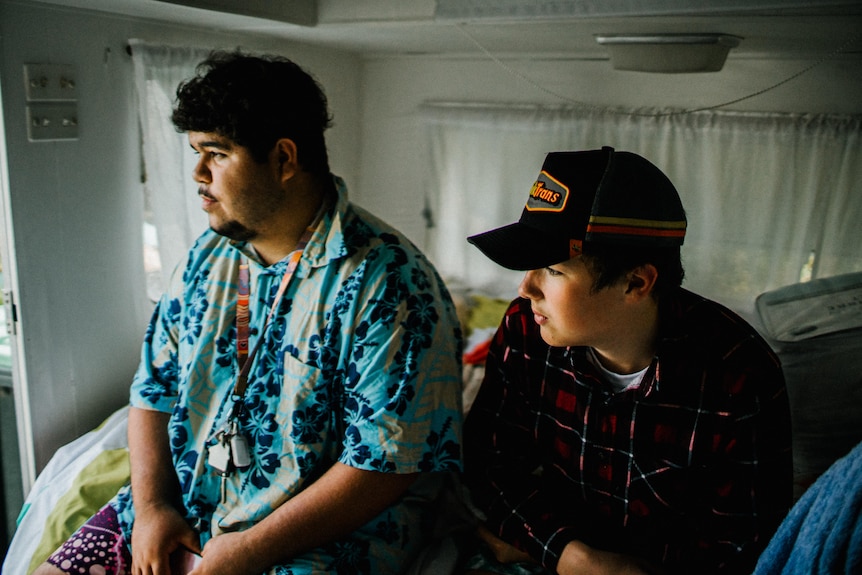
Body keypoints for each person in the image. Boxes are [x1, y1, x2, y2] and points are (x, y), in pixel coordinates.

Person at [35, 50, 463, 575]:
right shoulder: (205, 258)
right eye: (194, 152)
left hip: (318, 538)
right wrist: (151, 508)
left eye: (215, 153)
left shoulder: (389, 283)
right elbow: (152, 391)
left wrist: (250, 549)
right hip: (186, 507)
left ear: (284, 159)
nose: (197, 173)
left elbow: (384, 465)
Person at [459, 147, 792, 575]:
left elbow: (744, 541)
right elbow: (490, 464)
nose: (526, 288)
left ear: (635, 282)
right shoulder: (527, 329)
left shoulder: (740, 375)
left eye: (555, 271)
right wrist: (567, 555)